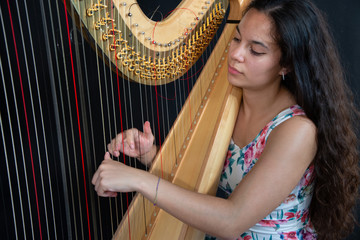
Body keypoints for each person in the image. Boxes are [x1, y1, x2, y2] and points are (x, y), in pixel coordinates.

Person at [91, 0, 360, 239]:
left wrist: (140, 180)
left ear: (286, 64)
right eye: (236, 38)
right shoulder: (229, 102)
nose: (236, 54)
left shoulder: (296, 130)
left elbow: (231, 220)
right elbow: (200, 183)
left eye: (255, 50)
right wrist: (150, 156)